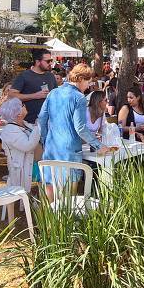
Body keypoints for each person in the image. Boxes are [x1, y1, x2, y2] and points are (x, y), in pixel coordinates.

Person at [38, 63, 109, 201]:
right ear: (81, 79)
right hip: (70, 149)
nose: (88, 86)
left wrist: (45, 139)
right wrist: (99, 146)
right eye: (88, 81)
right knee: (68, 197)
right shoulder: (79, 97)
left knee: (50, 184)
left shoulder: (53, 93)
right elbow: (80, 128)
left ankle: (49, 220)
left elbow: (41, 119)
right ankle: (64, 222)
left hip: (52, 146)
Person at [0, 95, 40, 194]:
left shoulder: (23, 123)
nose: (25, 106)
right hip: (24, 166)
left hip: (35, 162)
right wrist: (39, 126)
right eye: (22, 105)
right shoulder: (10, 130)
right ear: (18, 113)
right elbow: (27, 145)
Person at [10, 49, 57, 125]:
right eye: (48, 61)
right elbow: (11, 95)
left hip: (48, 122)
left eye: (51, 60)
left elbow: (56, 95)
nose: (51, 63)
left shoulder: (51, 76)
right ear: (38, 62)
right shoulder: (24, 76)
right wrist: (35, 96)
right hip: (29, 122)